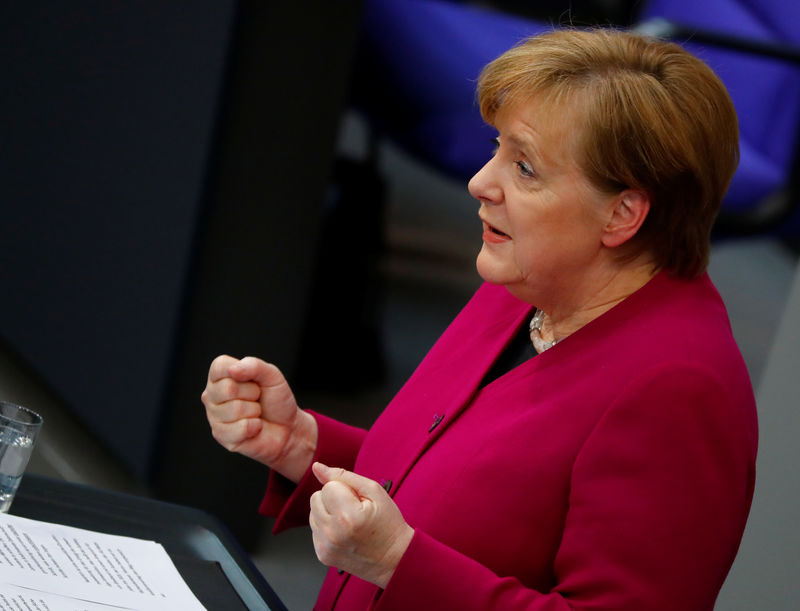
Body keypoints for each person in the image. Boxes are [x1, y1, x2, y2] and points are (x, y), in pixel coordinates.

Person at [202, 28, 757, 610]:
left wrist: (397, 563)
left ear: (621, 214)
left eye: (525, 168)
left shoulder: (682, 391)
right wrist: (304, 447)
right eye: (498, 147)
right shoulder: (526, 278)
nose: (478, 182)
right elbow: (466, 489)